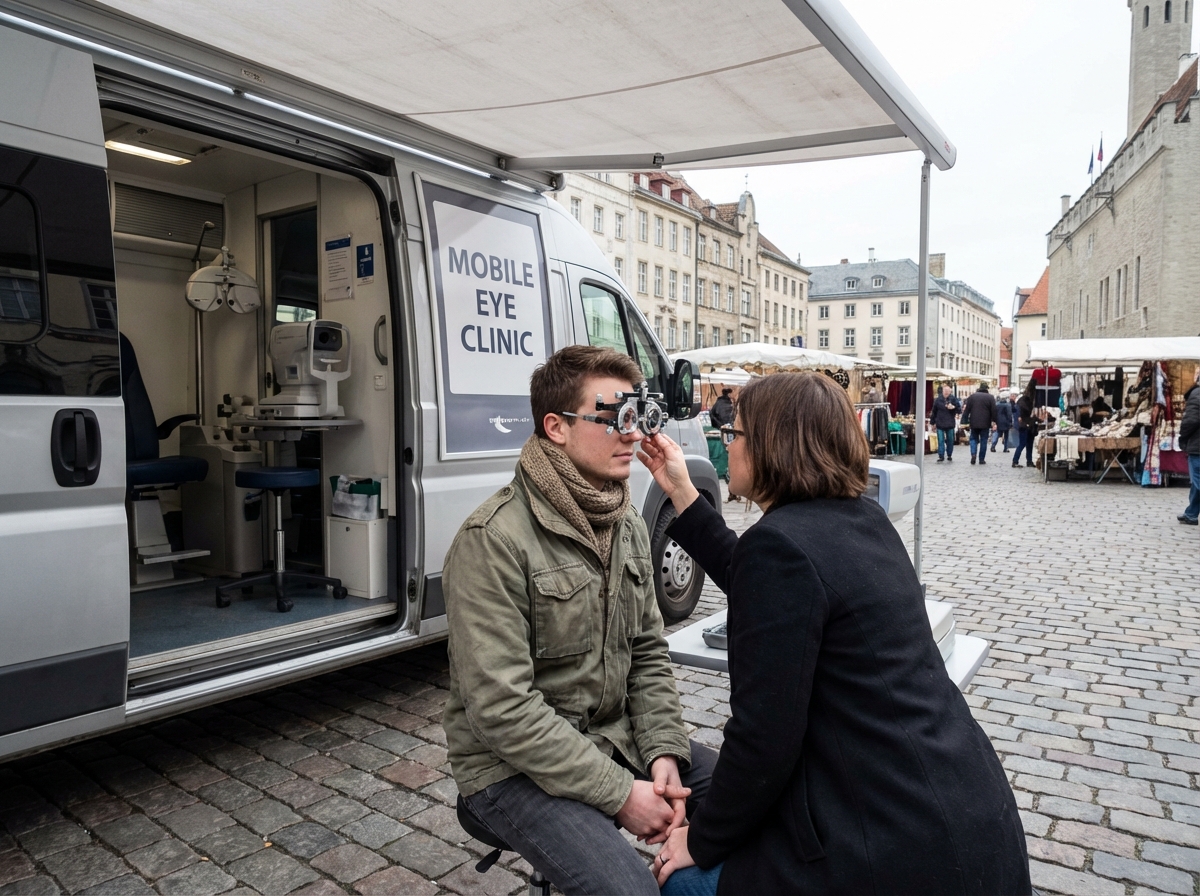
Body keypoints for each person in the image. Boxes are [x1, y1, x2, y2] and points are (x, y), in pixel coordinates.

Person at [638, 373, 1031, 896]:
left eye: (736, 433)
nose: (727, 444)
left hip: (892, 844)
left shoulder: (779, 548)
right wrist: (684, 494)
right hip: (965, 815)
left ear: (773, 447)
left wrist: (702, 841)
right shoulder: (862, 518)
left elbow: (763, 741)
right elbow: (762, 579)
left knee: (681, 882)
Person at [441, 346, 715, 895]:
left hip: (613, 737)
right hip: (508, 769)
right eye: (612, 417)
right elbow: (502, 710)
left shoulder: (624, 521)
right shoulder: (492, 540)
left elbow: (646, 651)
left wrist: (663, 748)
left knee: (757, 804)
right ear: (556, 427)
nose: (631, 433)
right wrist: (621, 793)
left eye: (636, 415)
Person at [1178, 366, 1200, 525]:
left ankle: (1191, 514)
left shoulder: (1197, 393)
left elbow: (1191, 420)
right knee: (1197, 483)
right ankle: (1191, 513)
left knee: (1198, 481)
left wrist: (1183, 437)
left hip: (1198, 446)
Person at [962, 381, 998, 465]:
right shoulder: (990, 397)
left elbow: (967, 410)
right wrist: (994, 421)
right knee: (983, 440)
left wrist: (964, 421)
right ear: (986, 389)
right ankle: (981, 459)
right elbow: (994, 411)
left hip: (974, 422)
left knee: (973, 439)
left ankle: (973, 454)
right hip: (985, 423)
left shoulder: (972, 397)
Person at [929, 384, 962, 462]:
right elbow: (934, 411)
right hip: (940, 423)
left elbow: (959, 410)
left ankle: (949, 454)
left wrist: (953, 407)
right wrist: (932, 422)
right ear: (942, 391)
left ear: (950, 391)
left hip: (950, 423)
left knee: (950, 440)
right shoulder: (938, 400)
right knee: (940, 440)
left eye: (948, 391)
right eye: (945, 391)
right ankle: (941, 455)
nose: (946, 392)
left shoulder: (953, 399)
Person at [1014, 382, 1037, 469]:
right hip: (1025, 425)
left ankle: (1029, 461)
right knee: (1023, 443)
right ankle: (1015, 461)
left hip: (1029, 425)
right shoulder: (1024, 401)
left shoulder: (1024, 400)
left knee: (1029, 444)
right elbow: (1026, 413)